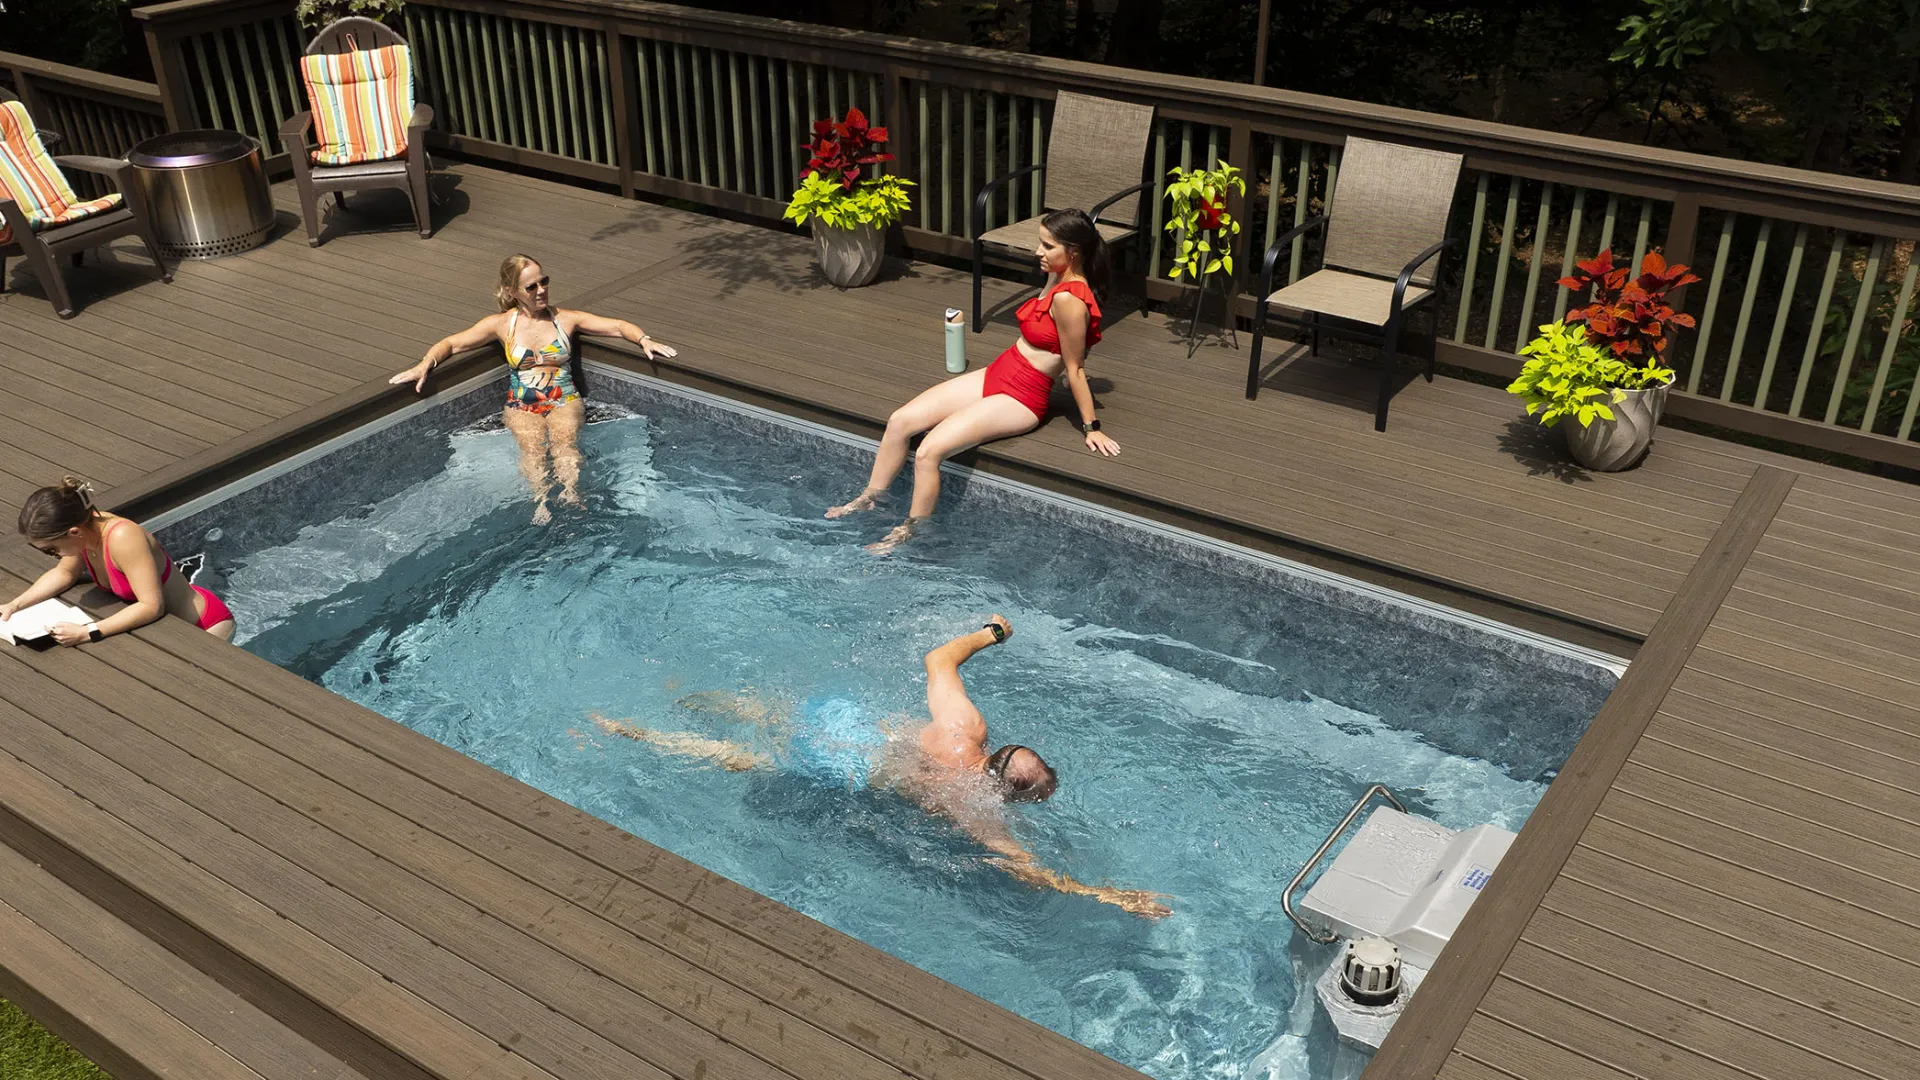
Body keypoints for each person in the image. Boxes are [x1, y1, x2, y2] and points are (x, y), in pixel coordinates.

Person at [592, 616, 1171, 919]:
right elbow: (1025, 868)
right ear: (1009, 793)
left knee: (765, 712)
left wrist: (992, 634)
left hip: (850, 724)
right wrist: (1104, 895)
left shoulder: (964, 728)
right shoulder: (971, 806)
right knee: (748, 760)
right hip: (843, 763)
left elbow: (937, 658)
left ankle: (692, 697)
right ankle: (635, 733)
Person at [827, 209, 1122, 552]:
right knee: (900, 421)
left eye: (1047, 246)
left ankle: (908, 533)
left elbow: (1075, 369)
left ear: (1073, 252)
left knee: (928, 453)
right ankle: (869, 497)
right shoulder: (1056, 276)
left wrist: (1092, 427)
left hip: (1023, 397)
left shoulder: (1071, 299)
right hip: (999, 370)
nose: (1037, 252)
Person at [390, 254, 679, 524]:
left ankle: (570, 493)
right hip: (520, 404)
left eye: (544, 281)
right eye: (532, 286)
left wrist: (643, 339)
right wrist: (426, 363)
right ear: (512, 291)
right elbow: (452, 344)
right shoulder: (502, 324)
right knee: (532, 450)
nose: (541, 290)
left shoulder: (566, 319)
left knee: (563, 443)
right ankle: (540, 500)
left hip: (563, 399)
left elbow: (617, 326)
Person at [2, 478, 236, 644]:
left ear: (74, 532)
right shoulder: (86, 530)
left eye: (51, 550)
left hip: (204, 627)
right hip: (166, 630)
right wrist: (15, 606)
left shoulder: (124, 538)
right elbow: (64, 574)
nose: (55, 555)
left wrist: (88, 632)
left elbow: (151, 606)